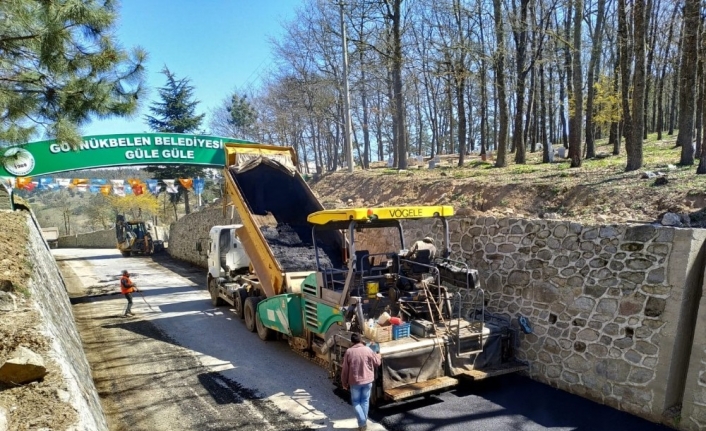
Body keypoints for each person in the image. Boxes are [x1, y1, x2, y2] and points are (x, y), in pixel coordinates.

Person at [341, 332, 381, 431]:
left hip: (355, 382)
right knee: (365, 401)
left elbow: (345, 370)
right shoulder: (368, 350)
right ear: (361, 340)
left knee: (356, 402)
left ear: (352, 342)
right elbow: (377, 363)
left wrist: (344, 382)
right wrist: (378, 355)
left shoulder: (349, 352)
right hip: (368, 381)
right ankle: (363, 424)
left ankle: (362, 423)